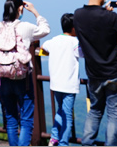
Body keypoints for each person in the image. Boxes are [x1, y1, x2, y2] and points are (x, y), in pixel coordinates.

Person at [73, 0, 117, 146]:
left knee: (95, 111)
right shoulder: (109, 17)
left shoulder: (77, 15)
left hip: (93, 73)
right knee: (114, 114)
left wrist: (107, 14)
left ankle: (87, 143)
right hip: (113, 72)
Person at [0, 0, 50, 146]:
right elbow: (45, 29)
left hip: (2, 78)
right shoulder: (25, 27)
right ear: (20, 8)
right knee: (27, 120)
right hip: (23, 79)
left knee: (10, 119)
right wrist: (35, 11)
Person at [41, 13, 81, 146]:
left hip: (55, 84)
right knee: (67, 115)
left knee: (60, 110)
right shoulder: (75, 42)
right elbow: (83, 53)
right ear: (74, 28)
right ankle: (63, 143)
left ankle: (54, 137)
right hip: (69, 85)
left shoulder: (54, 40)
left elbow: (44, 46)